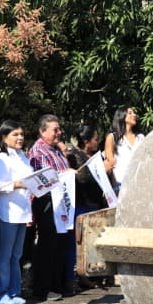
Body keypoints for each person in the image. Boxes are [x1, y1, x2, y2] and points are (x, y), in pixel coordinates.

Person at [27, 113, 73, 302]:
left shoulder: (56, 150)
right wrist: (66, 173)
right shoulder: (38, 151)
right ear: (42, 131)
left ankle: (58, 284)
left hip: (60, 203)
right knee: (47, 245)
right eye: (55, 130)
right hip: (46, 202)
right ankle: (43, 288)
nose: (59, 133)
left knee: (58, 244)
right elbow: (45, 178)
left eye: (59, 129)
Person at [0, 120, 33, 304]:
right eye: (15, 134)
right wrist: (19, 184)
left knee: (16, 256)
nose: (20, 138)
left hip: (22, 212)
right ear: (3, 137)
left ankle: (15, 291)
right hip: (6, 211)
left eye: (21, 134)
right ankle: (0, 294)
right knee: (4, 255)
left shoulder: (23, 156)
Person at [66, 124, 109, 291]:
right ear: (86, 141)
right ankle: (73, 278)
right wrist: (101, 171)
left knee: (90, 244)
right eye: (95, 139)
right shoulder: (75, 155)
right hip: (81, 204)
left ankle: (88, 275)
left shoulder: (93, 156)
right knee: (78, 244)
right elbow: (81, 178)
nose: (97, 142)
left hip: (93, 203)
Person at [103, 107, 143, 190]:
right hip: (120, 186)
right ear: (122, 116)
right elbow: (110, 164)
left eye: (134, 113)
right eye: (130, 113)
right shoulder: (112, 137)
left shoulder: (140, 137)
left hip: (139, 184)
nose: (134, 115)